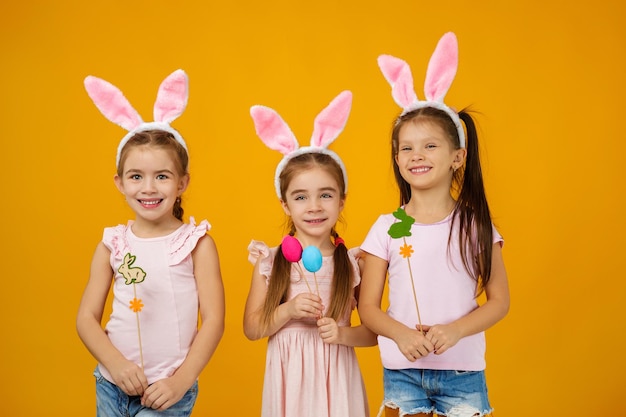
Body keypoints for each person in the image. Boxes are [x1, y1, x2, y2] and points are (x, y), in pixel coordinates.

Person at [359, 33, 510, 417]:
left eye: (430, 146)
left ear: (457, 157)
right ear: (396, 159)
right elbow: (369, 308)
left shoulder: (476, 226)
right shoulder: (385, 227)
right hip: (402, 373)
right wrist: (401, 334)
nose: (416, 156)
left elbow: (499, 302)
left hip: (463, 372)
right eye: (406, 148)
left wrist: (456, 330)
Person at [76, 69, 225, 416]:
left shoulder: (196, 243)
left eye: (162, 176)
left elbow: (214, 320)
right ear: (119, 182)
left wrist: (182, 380)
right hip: (111, 385)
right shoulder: (112, 244)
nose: (148, 188)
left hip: (167, 390)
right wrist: (115, 364)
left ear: (182, 182)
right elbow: (86, 317)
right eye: (136, 177)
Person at [244, 91, 377, 417]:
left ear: (342, 200)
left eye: (326, 195)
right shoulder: (270, 261)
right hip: (290, 382)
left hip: (337, 380)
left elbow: (372, 333)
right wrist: (288, 310)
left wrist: (343, 333)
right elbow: (251, 329)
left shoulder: (353, 262)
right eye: (301, 197)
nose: (314, 206)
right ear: (285, 204)